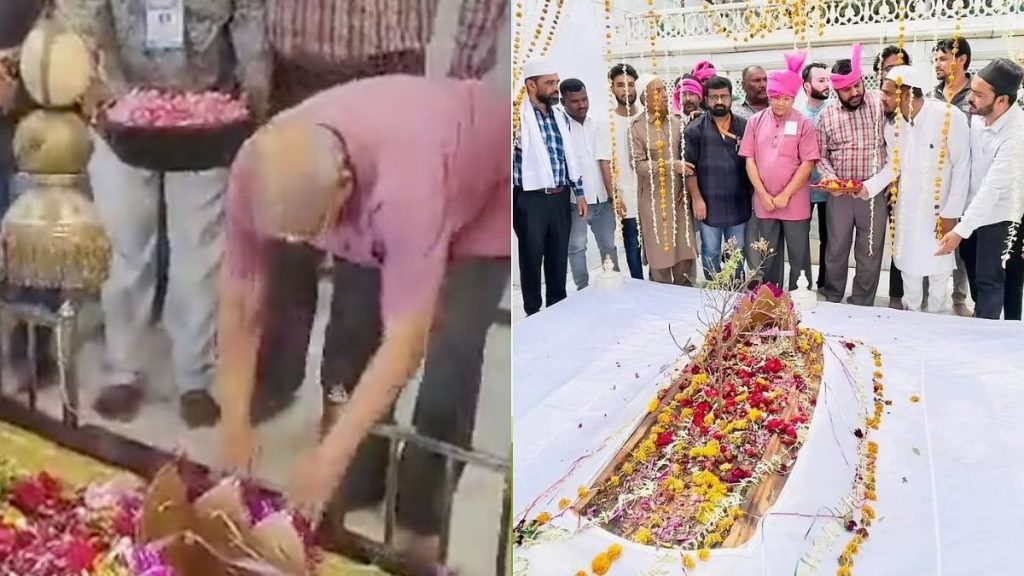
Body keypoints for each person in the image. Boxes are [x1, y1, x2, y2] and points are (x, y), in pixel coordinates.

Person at [218, 76, 509, 568]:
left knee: (448, 358)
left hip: (488, 193)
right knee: (350, 347)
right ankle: (358, 473)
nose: (300, 246)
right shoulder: (257, 164)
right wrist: (233, 416)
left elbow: (405, 341)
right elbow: (241, 297)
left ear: (345, 190)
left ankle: (420, 518)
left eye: (310, 234)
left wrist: (325, 458)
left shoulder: (407, 188)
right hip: (382, 186)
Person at [67, 0, 270, 427]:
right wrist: (89, 83)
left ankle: (194, 379)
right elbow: (81, 17)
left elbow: (250, 16)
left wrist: (254, 90)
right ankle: (124, 369)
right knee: (124, 248)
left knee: (200, 253)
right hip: (120, 110)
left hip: (206, 113)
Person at [860, 66, 970, 313]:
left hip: (939, 210)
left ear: (906, 93)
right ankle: (911, 319)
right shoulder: (893, 125)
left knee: (939, 272)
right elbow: (893, 166)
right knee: (908, 268)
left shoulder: (948, 116)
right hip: (906, 209)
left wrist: (951, 214)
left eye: (888, 93)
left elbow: (963, 167)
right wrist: (867, 188)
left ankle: (935, 321)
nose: (883, 98)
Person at [937, 58, 1024, 320]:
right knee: (975, 276)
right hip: (971, 211)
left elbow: (992, 189)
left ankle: (986, 342)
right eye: (972, 91)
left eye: (978, 94)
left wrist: (959, 231)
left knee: (991, 280)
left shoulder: (1016, 134)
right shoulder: (979, 115)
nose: (970, 98)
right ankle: (986, 325)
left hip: (1000, 215)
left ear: (1002, 101)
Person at [816, 44, 889, 306]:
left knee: (869, 249)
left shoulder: (880, 104)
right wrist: (832, 180)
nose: (855, 92)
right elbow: (821, 155)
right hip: (841, 193)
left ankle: (862, 300)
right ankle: (834, 296)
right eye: (848, 89)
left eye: (858, 85)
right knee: (836, 249)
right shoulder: (826, 115)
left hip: (874, 191)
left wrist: (874, 184)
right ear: (836, 90)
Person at [740, 50, 819, 290]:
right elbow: (749, 160)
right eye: (776, 97)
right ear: (770, 96)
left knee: (798, 252)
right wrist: (763, 194)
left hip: (794, 201)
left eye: (786, 97)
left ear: (793, 98)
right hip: (766, 202)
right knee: (768, 254)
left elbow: (808, 163)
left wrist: (786, 194)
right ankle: (771, 296)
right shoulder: (755, 122)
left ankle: (800, 295)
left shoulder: (803, 122)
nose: (780, 102)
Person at [514, 58, 585, 315]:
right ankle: (533, 312)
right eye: (550, 83)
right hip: (530, 199)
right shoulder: (515, 117)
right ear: (531, 85)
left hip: (559, 197)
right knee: (531, 258)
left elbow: (570, 157)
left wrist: (580, 194)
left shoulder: (558, 116)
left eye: (556, 81)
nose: (556, 88)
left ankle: (557, 310)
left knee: (558, 257)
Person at [629, 75, 698, 285]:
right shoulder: (637, 127)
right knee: (660, 257)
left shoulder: (677, 122)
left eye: (664, 90)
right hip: (654, 204)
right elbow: (638, 165)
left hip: (679, 199)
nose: (664, 95)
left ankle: (685, 305)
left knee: (684, 254)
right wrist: (670, 166)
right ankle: (661, 307)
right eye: (657, 91)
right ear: (644, 98)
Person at [684, 75, 751, 279]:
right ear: (706, 99)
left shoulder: (744, 126)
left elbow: (752, 163)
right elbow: (689, 168)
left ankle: (735, 288)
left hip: (739, 202)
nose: (719, 101)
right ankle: (714, 289)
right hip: (708, 203)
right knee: (711, 251)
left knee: (736, 253)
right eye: (714, 97)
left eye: (724, 96)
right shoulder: (694, 129)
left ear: (732, 98)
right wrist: (697, 199)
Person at [560, 78, 618, 290]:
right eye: (575, 101)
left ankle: (614, 284)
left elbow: (604, 162)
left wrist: (613, 196)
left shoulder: (597, 125)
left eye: (585, 99)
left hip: (602, 199)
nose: (582, 104)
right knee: (576, 247)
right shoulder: (561, 129)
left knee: (609, 246)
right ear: (562, 101)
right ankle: (582, 290)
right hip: (576, 202)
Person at [931, 37, 974, 317]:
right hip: (934, 179)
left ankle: (959, 297)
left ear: (962, 61)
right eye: (936, 59)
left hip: (966, 178)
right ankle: (930, 292)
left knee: (960, 237)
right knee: (934, 235)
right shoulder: (932, 94)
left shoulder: (976, 93)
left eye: (943, 58)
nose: (938, 63)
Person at [873, 45, 913, 310]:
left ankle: (910, 297)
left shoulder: (914, 108)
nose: (894, 73)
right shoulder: (876, 105)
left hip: (912, 187)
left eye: (899, 68)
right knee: (893, 240)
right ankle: (896, 295)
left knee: (910, 238)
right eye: (888, 69)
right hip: (883, 183)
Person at [609, 63, 644, 280]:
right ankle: (639, 286)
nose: (626, 90)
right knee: (632, 244)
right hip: (625, 194)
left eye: (630, 85)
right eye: (620, 85)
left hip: (650, 191)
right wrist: (616, 194)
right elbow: (605, 162)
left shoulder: (644, 117)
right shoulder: (608, 121)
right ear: (612, 88)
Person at [733, 65, 769, 273]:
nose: (762, 84)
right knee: (744, 235)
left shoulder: (778, 107)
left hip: (772, 185)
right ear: (743, 85)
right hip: (742, 184)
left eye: (764, 79)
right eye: (756, 81)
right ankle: (746, 278)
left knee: (766, 236)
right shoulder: (735, 111)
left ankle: (765, 279)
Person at [800, 62, 831, 291]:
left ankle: (826, 283)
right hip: (801, 189)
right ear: (806, 85)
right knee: (799, 239)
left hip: (831, 189)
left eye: (828, 79)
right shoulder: (798, 115)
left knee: (829, 239)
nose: (826, 84)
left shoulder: (834, 111)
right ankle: (802, 283)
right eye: (821, 80)